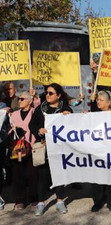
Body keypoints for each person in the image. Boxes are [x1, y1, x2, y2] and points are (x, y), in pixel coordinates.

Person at [29, 83, 73, 216]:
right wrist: (38, 130)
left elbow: (73, 127)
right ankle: (41, 203)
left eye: (51, 93)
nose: (47, 95)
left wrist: (69, 117)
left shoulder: (66, 109)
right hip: (44, 147)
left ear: (58, 95)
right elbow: (32, 124)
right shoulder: (40, 108)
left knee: (59, 175)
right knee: (42, 175)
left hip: (59, 148)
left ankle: (60, 201)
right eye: (46, 93)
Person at [90, 90, 111, 212]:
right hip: (98, 150)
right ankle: (98, 202)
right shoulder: (93, 115)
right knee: (97, 177)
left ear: (109, 102)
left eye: (101, 100)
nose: (98, 102)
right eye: (97, 100)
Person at [9, 92, 38, 210]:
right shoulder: (14, 114)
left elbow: (39, 104)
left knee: (32, 174)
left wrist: (34, 95)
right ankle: (19, 199)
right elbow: (9, 129)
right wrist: (14, 131)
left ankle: (33, 198)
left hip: (30, 146)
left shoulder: (34, 112)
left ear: (30, 101)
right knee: (17, 174)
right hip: (17, 148)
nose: (19, 100)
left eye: (22, 99)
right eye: (18, 99)